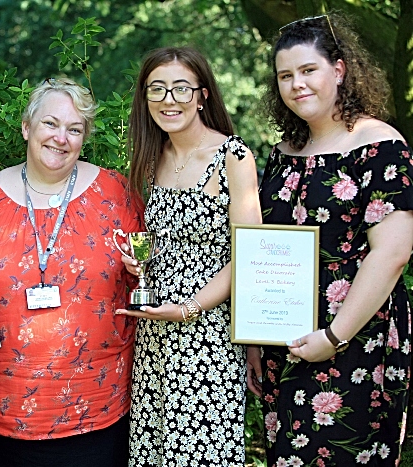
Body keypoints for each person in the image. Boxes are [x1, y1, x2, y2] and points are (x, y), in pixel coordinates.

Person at [258, 13, 413, 466]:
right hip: (282, 341)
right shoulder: (281, 155)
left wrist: (335, 335)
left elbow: (393, 252)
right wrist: (253, 336)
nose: (296, 85)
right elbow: (263, 251)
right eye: (285, 75)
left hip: (356, 338)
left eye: (308, 71)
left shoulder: (380, 145)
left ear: (339, 70)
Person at [0, 77, 143, 467]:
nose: (61, 138)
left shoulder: (116, 194)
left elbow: (145, 282)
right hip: (5, 408)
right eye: (50, 124)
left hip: (98, 408)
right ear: (26, 127)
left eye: (75, 129)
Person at [116, 46, 262, 466]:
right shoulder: (150, 158)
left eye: (181, 88)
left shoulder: (232, 156)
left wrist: (188, 308)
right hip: (155, 333)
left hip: (207, 334)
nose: (169, 100)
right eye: (156, 89)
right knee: (155, 451)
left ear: (203, 95)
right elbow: (158, 239)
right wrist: (138, 261)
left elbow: (247, 254)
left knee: (201, 454)